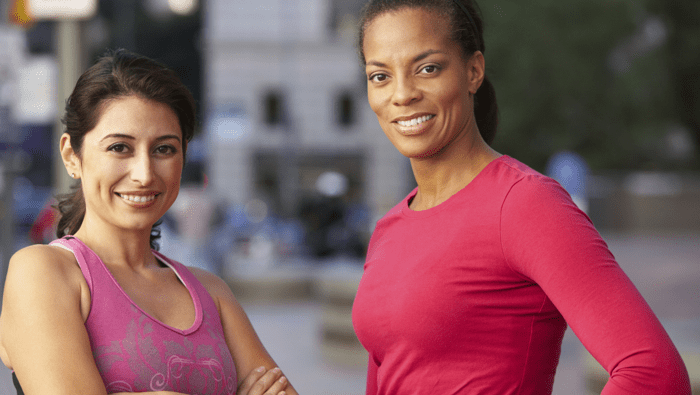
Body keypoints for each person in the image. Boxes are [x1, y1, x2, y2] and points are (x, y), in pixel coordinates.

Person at [350, 1, 691, 394]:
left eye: (427, 68)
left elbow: (655, 373)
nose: (402, 94)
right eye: (380, 76)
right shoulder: (387, 230)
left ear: (473, 70)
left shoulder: (524, 205)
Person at [0, 49, 297, 395]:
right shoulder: (43, 271)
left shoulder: (211, 292)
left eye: (164, 150)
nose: (144, 174)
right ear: (72, 156)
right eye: (119, 148)